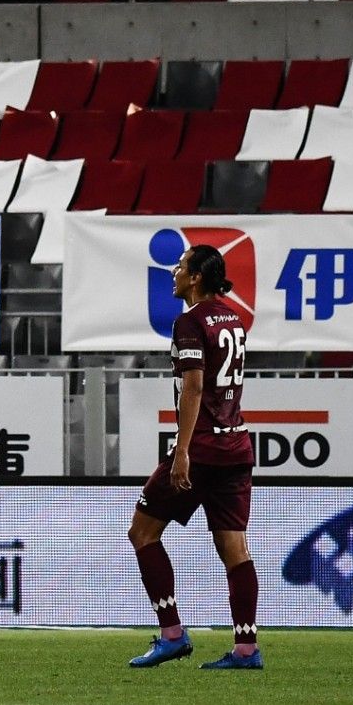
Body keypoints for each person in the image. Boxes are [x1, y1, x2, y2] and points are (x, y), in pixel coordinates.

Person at [127, 244, 262, 670]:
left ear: (197, 277)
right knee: (234, 548)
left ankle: (172, 634)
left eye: (181, 266)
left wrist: (181, 449)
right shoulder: (234, 318)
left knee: (142, 533)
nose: (174, 272)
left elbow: (194, 387)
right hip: (236, 445)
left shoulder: (189, 321)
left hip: (201, 447)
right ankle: (246, 649)